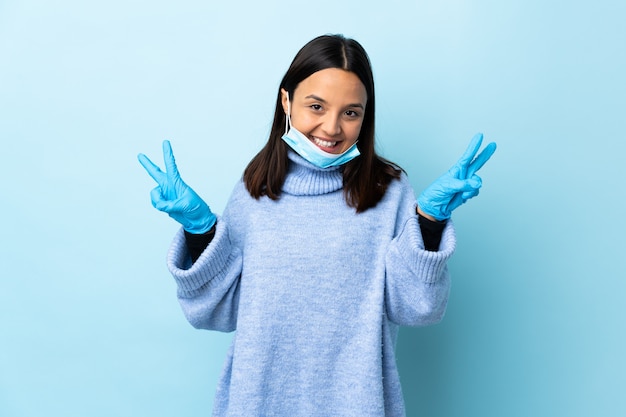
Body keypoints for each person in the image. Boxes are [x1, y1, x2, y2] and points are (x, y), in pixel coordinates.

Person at [138, 34, 496, 417]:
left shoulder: (388, 192)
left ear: (365, 116)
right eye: (316, 106)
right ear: (286, 101)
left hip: (357, 406)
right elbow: (219, 311)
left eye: (351, 112)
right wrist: (200, 230)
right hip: (257, 403)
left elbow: (416, 308)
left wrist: (427, 222)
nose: (332, 127)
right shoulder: (254, 189)